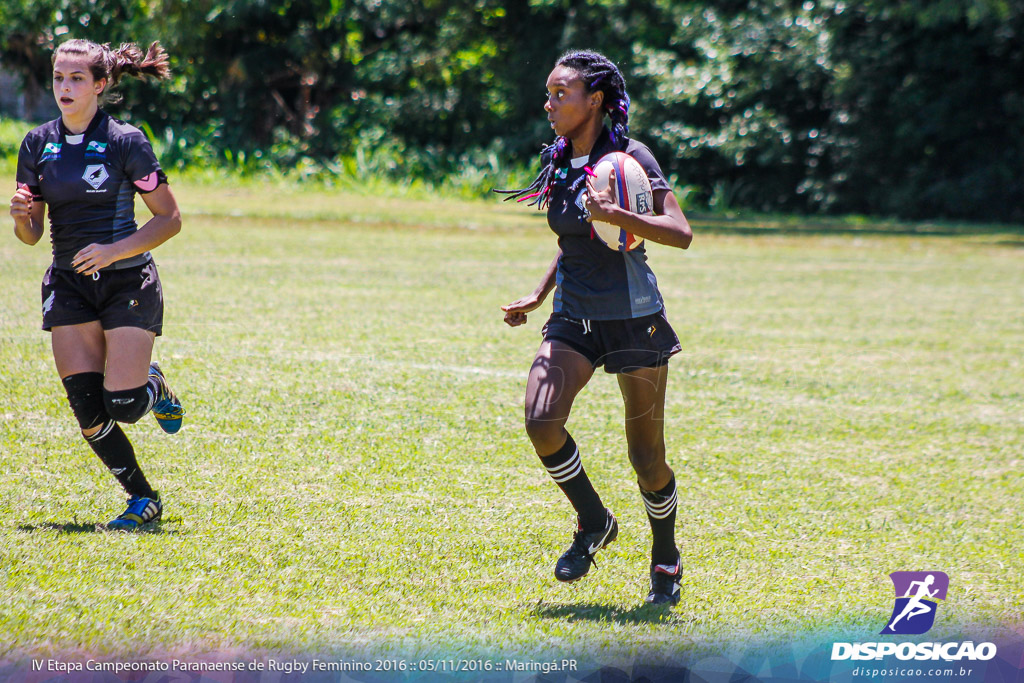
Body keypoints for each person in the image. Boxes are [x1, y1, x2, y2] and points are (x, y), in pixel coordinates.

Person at [497, 50, 693, 605]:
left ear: (595, 100)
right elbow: (574, 242)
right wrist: (538, 294)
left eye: (562, 94)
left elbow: (679, 232)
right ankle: (593, 521)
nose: (550, 103)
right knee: (541, 420)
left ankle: (666, 558)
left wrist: (620, 217)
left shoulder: (631, 159)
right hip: (574, 317)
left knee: (646, 459)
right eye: (549, 93)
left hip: (636, 321)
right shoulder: (559, 162)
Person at [9, 38, 185, 531]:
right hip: (68, 284)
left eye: (76, 79)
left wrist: (113, 251)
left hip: (126, 280)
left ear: (101, 85)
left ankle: (153, 385)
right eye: (59, 77)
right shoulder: (36, 143)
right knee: (88, 410)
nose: (64, 87)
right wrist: (21, 217)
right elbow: (31, 235)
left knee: (124, 405)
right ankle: (142, 498)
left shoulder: (126, 141)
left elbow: (169, 219)